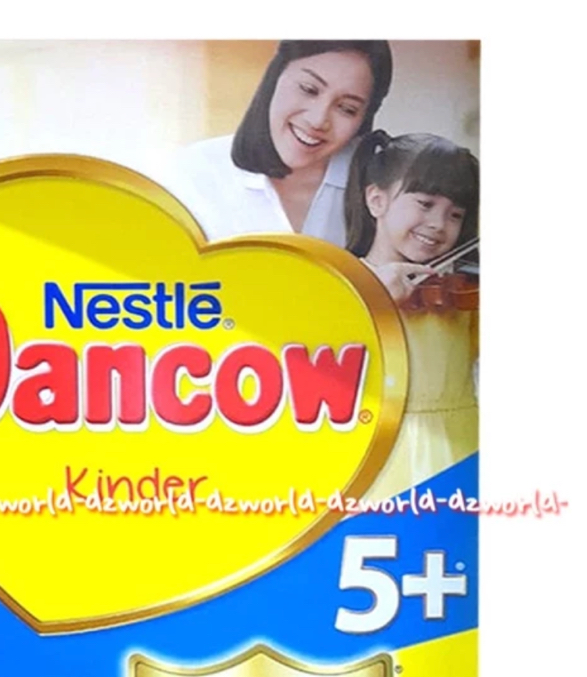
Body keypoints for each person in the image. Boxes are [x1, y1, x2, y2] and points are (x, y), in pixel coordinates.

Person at [344, 131, 480, 498]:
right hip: (370, 453)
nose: (439, 224)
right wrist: (371, 299)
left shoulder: (460, 296)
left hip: (458, 450)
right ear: (377, 200)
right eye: (425, 203)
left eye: (455, 214)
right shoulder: (339, 283)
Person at [166, 41, 393, 244]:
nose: (317, 120)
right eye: (309, 89)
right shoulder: (191, 172)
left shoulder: (384, 186)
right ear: (275, 75)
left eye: (347, 108)